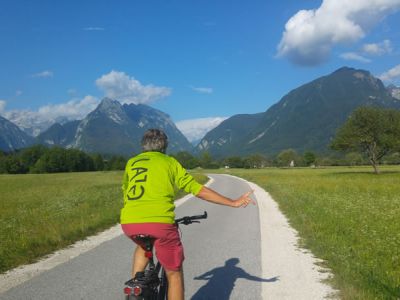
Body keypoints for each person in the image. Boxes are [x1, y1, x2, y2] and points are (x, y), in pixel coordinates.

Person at [121, 128, 255, 300]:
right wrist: (233, 202)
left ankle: (136, 287)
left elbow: (126, 191)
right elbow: (197, 190)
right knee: (174, 273)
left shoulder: (131, 162)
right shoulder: (168, 162)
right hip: (160, 224)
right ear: (164, 146)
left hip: (129, 222)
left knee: (142, 246)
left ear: (143, 146)